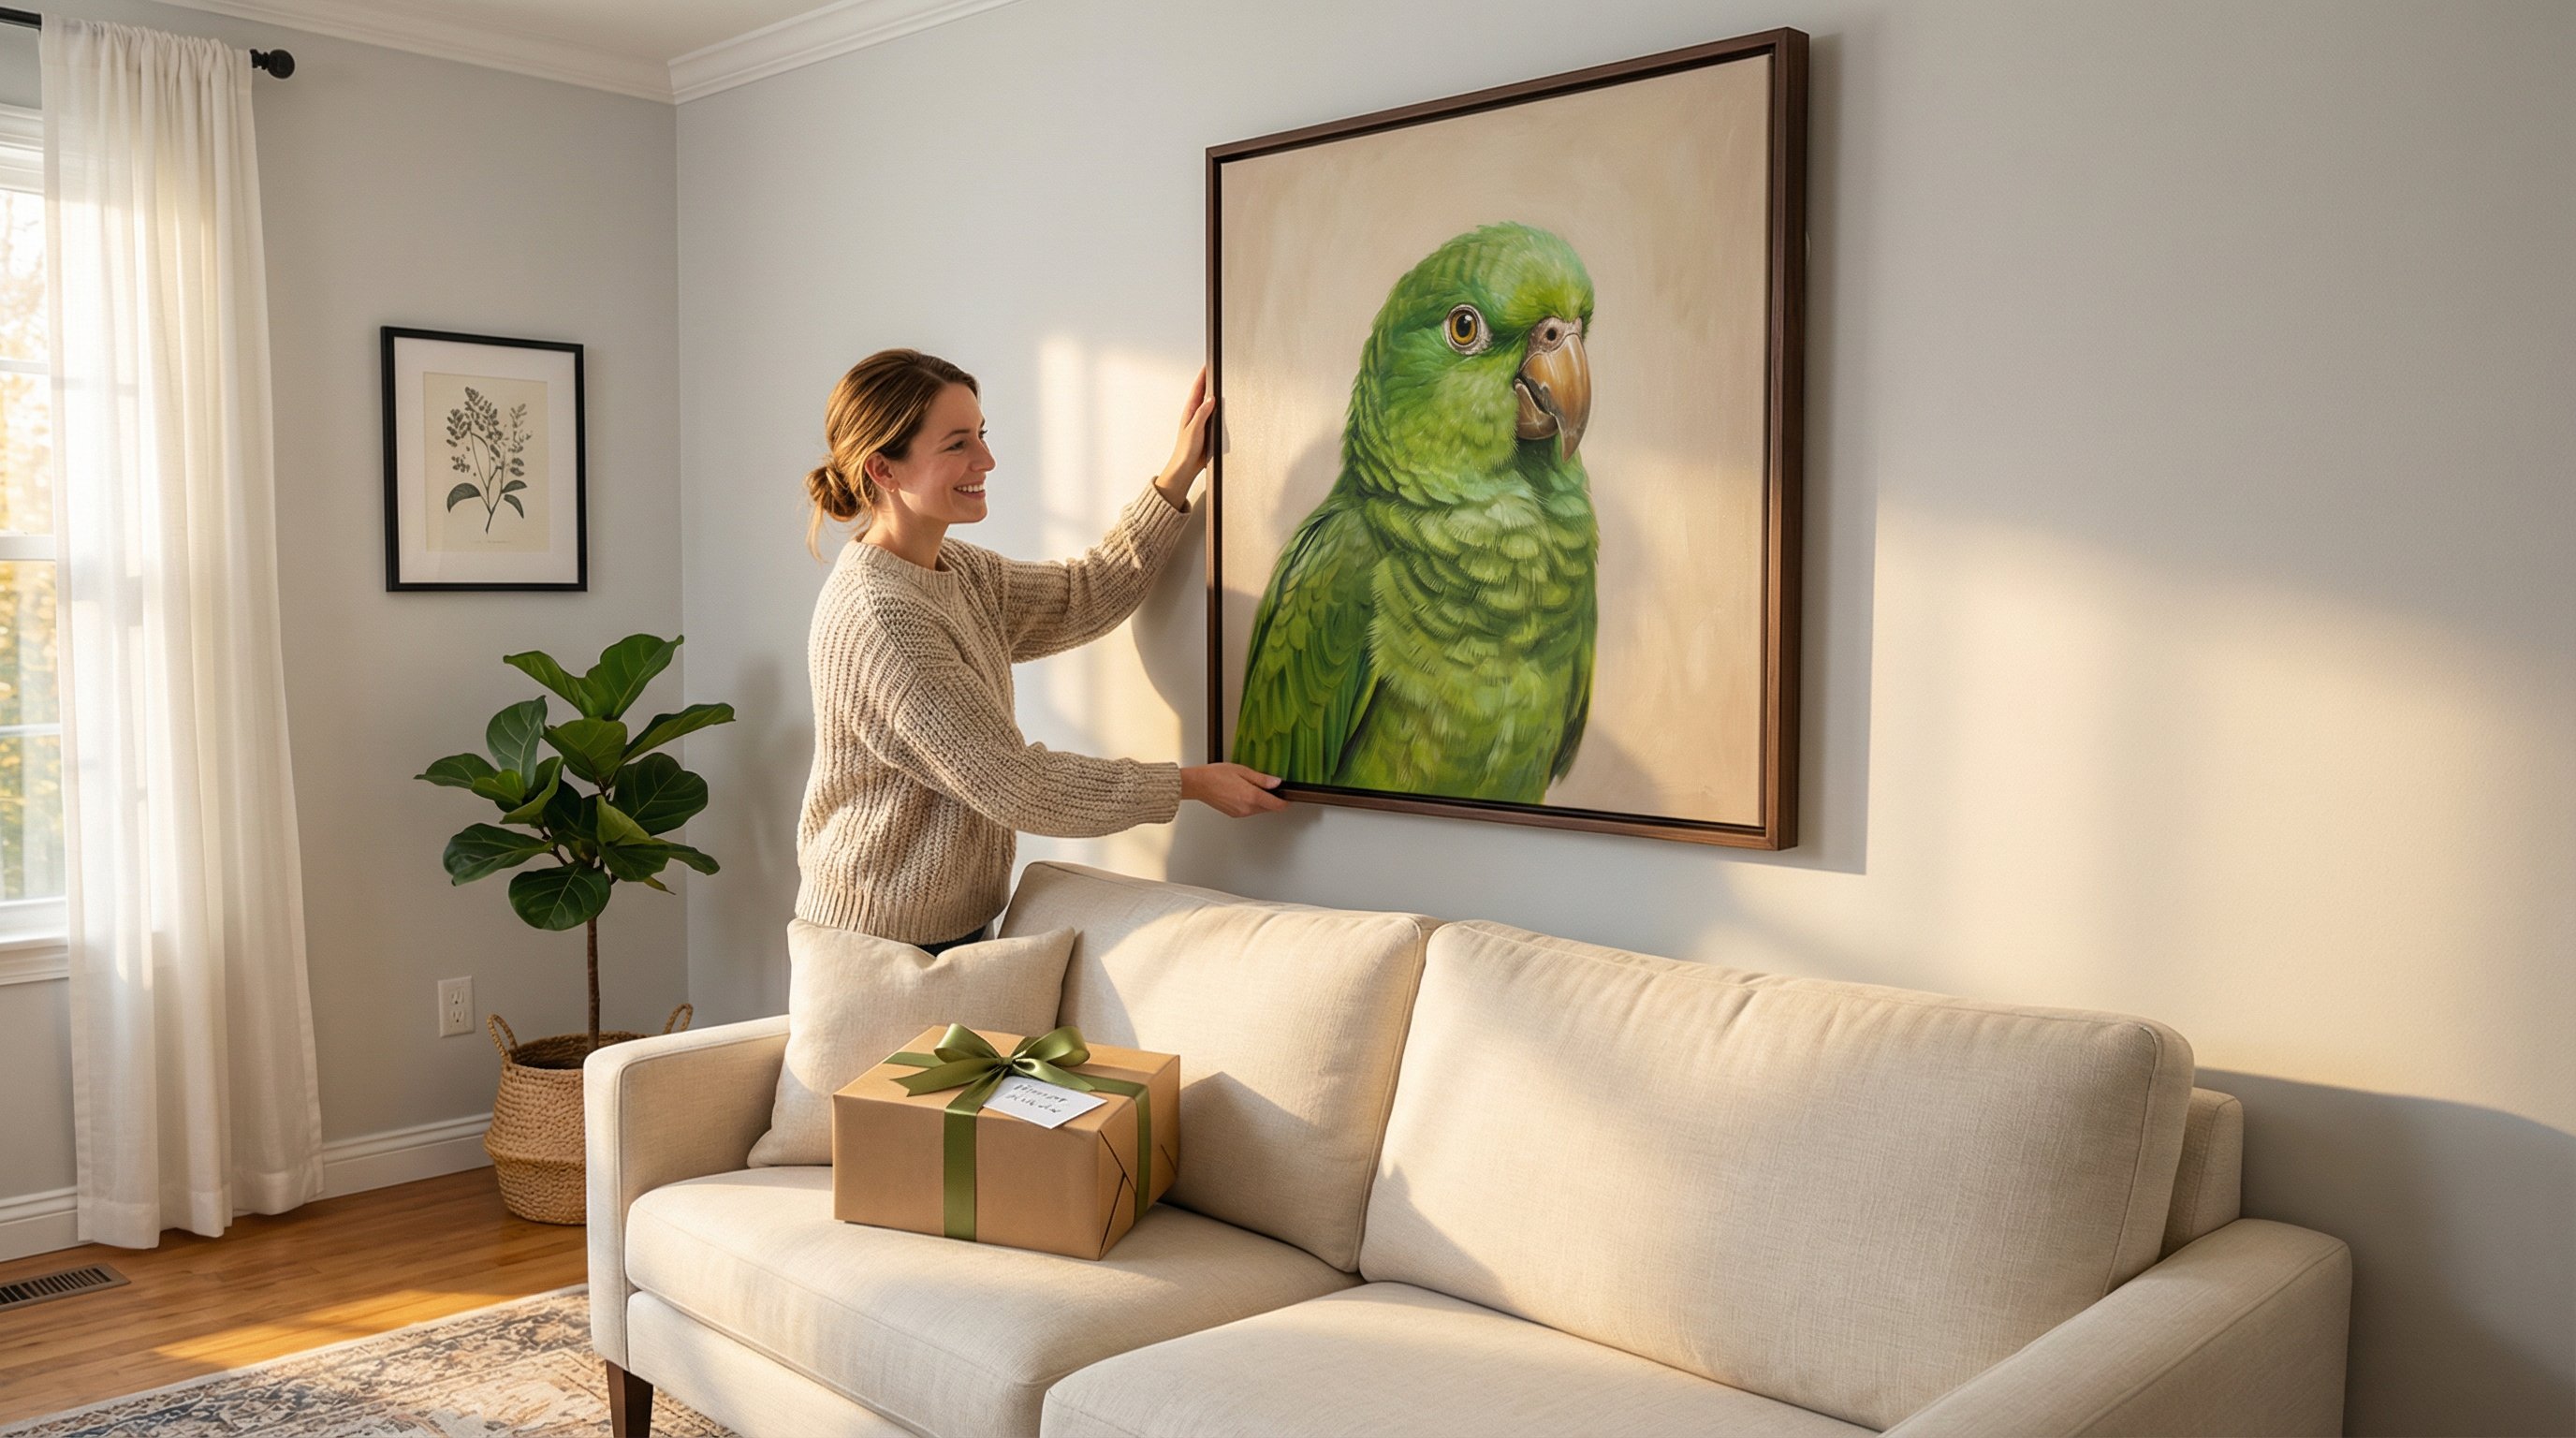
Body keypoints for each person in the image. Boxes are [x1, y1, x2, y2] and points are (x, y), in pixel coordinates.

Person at [795, 348, 1285, 956]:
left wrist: (1180, 471)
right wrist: (1187, 784)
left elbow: (1084, 594)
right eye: (957, 445)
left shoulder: (955, 570)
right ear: (884, 470)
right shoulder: (883, 618)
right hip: (876, 943)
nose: (987, 460)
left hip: (949, 932)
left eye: (981, 434)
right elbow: (1013, 782)